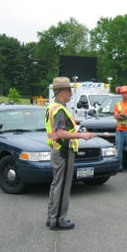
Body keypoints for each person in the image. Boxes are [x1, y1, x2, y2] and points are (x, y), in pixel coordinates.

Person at [45, 77, 95, 230]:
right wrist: (82, 135)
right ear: (61, 93)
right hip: (64, 151)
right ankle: (58, 220)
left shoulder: (53, 107)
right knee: (63, 186)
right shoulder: (59, 110)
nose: (71, 93)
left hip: (58, 150)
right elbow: (60, 133)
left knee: (56, 184)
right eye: (69, 90)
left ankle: (51, 217)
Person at [113, 86, 127, 171]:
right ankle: (119, 166)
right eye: (123, 93)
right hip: (119, 129)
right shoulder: (117, 104)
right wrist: (126, 116)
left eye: (126, 93)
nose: (125, 95)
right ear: (121, 94)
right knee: (119, 149)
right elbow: (116, 116)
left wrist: (122, 115)